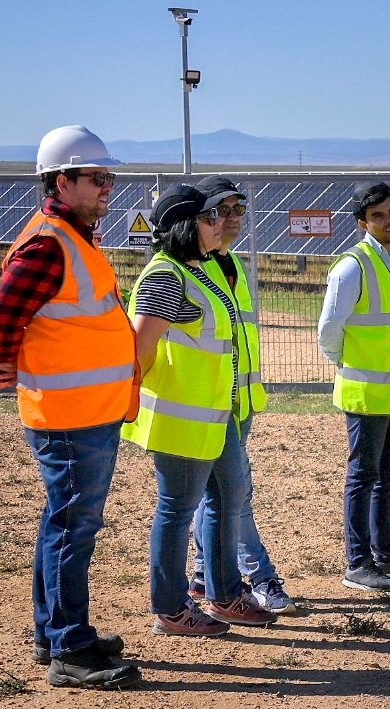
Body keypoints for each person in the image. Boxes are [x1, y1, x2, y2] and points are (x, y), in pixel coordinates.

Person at [0, 125, 139, 688]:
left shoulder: (72, 235)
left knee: (63, 522)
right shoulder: (50, 243)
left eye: (109, 176)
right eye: (97, 178)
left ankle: (56, 635)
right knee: (74, 528)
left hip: (85, 411)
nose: (108, 187)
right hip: (71, 417)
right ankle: (70, 649)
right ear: (62, 180)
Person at [121, 184, 279, 636]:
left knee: (229, 496)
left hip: (214, 416)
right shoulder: (165, 276)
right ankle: (170, 609)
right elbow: (139, 352)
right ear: (185, 226)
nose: (221, 222)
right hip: (181, 421)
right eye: (210, 217)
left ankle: (225, 594)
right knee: (176, 508)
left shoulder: (202, 269)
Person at [177, 175, 297, 614]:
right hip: (208, 404)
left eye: (237, 210)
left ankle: (204, 576)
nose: (230, 219)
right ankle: (256, 575)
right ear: (201, 218)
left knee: (217, 496)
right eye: (221, 211)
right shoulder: (192, 266)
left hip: (238, 403)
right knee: (231, 493)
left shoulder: (233, 265)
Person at [318, 181, 390, 592]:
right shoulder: (352, 266)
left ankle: (386, 551)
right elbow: (329, 331)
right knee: (363, 476)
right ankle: (358, 562)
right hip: (367, 393)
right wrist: (348, 365)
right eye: (379, 216)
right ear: (362, 223)